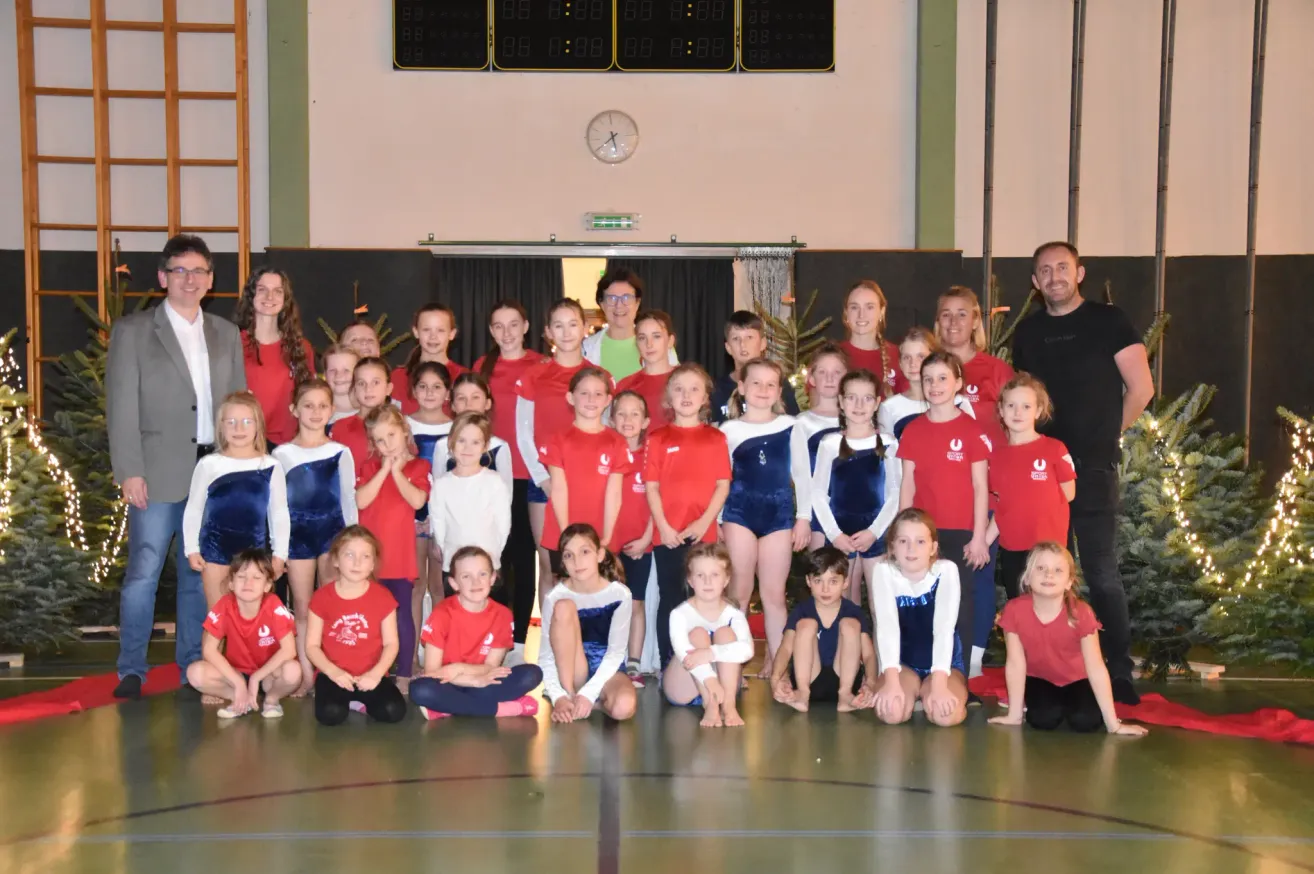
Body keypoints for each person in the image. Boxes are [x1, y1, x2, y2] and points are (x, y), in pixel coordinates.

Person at [1012, 241, 1155, 704]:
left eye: (1062, 268)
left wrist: (1105, 436)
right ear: (1035, 283)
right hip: (1040, 473)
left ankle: (1118, 670)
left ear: (1079, 273)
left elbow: (1141, 388)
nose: (1053, 276)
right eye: (1044, 271)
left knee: (1100, 570)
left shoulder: (1109, 321)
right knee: (1040, 572)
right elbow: (1025, 405)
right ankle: (1043, 669)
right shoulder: (1029, 334)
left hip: (1093, 468)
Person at [108, 233, 246, 699]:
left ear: (211, 280)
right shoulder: (133, 332)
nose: (191, 279)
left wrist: (240, 466)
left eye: (200, 271)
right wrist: (129, 468)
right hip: (157, 470)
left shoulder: (226, 334)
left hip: (214, 472)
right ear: (163, 277)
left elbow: (238, 406)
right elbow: (121, 406)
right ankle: (132, 667)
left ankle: (192, 662)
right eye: (181, 271)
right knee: (144, 570)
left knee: (198, 570)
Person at [989, 543, 1148, 736]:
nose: (1049, 575)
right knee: (1042, 720)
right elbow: (1015, 662)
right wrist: (1014, 716)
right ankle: (1043, 704)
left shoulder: (1081, 613)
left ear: (1069, 582)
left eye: (1058, 570)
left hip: (1078, 679)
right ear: (1028, 578)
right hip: (1040, 678)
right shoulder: (1014, 611)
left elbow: (1096, 667)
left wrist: (1113, 724)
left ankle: (1078, 704)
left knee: (1085, 721)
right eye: (1041, 568)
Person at [935, 286, 1014, 665]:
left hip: (985, 497)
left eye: (962, 313)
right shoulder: (926, 371)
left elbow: (1017, 426)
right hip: (936, 498)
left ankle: (975, 660)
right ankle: (937, 657)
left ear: (976, 321)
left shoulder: (996, 372)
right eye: (946, 314)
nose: (954, 322)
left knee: (978, 580)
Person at [718, 358, 810, 677]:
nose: (763, 389)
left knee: (773, 595)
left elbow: (801, 474)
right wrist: (718, 520)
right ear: (741, 387)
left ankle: (779, 665)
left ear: (779, 390)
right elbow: (721, 477)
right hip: (740, 513)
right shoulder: (729, 430)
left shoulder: (790, 426)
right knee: (738, 593)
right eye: (755, 383)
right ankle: (732, 666)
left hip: (778, 515)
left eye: (771, 384)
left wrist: (804, 518)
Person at [897, 351, 990, 664]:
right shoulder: (912, 430)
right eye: (928, 379)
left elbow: (981, 487)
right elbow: (907, 485)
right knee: (922, 602)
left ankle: (959, 677)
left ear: (958, 383)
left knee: (960, 605)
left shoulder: (972, 430)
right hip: (922, 534)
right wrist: (901, 534)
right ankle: (919, 669)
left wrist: (979, 538)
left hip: (960, 532)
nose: (934, 385)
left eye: (942, 378)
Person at [516, 299, 610, 603]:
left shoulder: (600, 376)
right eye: (558, 324)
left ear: (585, 328)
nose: (566, 331)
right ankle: (550, 645)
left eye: (573, 324)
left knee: (587, 565)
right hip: (544, 481)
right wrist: (542, 477)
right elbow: (523, 432)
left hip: (588, 483)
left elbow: (607, 431)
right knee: (551, 567)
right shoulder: (535, 375)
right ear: (548, 332)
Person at [272, 379, 358, 695]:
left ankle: (337, 672)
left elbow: (348, 499)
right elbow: (277, 507)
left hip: (333, 536)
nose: (316, 411)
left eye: (323, 405)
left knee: (335, 607)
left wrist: (352, 543)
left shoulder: (340, 451)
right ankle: (308, 675)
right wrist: (278, 549)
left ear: (332, 410)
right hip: (298, 539)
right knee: (305, 609)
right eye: (308, 405)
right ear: (294, 409)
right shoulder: (282, 454)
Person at [645, 364, 731, 669]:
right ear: (668, 397)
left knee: (702, 598)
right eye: (678, 388)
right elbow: (651, 487)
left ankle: (702, 662)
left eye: (694, 388)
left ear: (705, 397)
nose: (686, 395)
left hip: (702, 534)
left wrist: (704, 522)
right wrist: (664, 527)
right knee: (669, 597)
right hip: (667, 536)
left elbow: (723, 485)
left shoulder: (715, 439)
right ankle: (668, 662)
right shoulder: (657, 439)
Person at [474, 301, 546, 656]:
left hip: (528, 474)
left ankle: (518, 639)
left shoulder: (540, 365)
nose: (506, 332)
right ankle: (495, 634)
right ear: (490, 331)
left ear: (526, 326)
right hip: (489, 476)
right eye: (499, 326)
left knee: (523, 556)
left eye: (513, 324)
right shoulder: (482, 367)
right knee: (494, 556)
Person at [182, 391, 290, 609]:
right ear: (221, 426)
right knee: (217, 620)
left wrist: (280, 555)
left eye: (246, 422)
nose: (238, 429)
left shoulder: (270, 465)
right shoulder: (209, 465)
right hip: (215, 553)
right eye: (230, 422)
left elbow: (279, 513)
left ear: (258, 425)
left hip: (254, 556)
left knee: (251, 621)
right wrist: (191, 548)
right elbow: (194, 509)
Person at [409, 546, 543, 719]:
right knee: (420, 690)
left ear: (493, 578)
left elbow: (491, 667)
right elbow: (433, 671)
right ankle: (502, 709)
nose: (476, 582)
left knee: (532, 674)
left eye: (482, 574)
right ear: (454, 583)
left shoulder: (502, 615)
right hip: (448, 682)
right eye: (466, 576)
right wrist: (471, 681)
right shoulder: (441, 614)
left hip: (483, 680)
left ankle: (447, 707)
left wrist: (457, 668)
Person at [356, 405, 431, 691]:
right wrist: (384, 469)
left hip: (399, 557)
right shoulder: (368, 467)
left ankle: (403, 674)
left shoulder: (419, 466)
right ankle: (370, 670)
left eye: (391, 435)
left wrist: (398, 472)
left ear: (404, 432)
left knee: (402, 616)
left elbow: (417, 501)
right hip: (367, 560)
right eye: (379, 440)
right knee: (369, 615)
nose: (386, 444)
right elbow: (361, 501)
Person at [871, 509, 968, 727]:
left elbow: (943, 629)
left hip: (945, 664)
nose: (911, 549)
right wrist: (891, 680)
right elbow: (887, 627)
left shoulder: (946, 571)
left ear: (933, 548)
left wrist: (941, 685)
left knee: (946, 716)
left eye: (920, 541)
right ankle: (914, 693)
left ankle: (929, 694)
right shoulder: (883, 572)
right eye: (903, 541)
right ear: (893, 547)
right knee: (892, 713)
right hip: (903, 664)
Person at [811, 370, 901, 603]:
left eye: (867, 398)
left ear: (877, 403)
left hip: (876, 533)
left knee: (880, 603)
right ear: (841, 401)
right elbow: (818, 494)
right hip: (840, 532)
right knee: (843, 602)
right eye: (851, 397)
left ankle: (881, 641)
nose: (859, 404)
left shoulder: (889, 443)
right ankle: (850, 640)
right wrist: (835, 534)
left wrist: (875, 532)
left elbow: (895, 494)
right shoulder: (830, 444)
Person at [306, 526, 407, 725]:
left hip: (370, 675)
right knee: (331, 714)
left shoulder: (383, 598)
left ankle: (359, 700)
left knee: (394, 712)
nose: (357, 562)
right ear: (335, 560)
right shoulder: (321, 598)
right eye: (349, 555)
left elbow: (391, 644)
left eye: (365, 556)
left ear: (372, 564)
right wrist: (332, 671)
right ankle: (349, 701)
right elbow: (311, 646)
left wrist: (376, 674)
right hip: (334, 675)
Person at [185, 548, 300, 719]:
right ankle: (239, 698)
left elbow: (289, 650)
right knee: (195, 673)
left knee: (293, 671)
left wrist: (256, 678)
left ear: (267, 585)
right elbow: (209, 650)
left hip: (268, 675)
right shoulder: (225, 605)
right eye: (241, 577)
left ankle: (271, 700)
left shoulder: (273, 604)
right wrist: (239, 682)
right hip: (236, 673)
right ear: (231, 583)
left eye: (256, 578)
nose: (248, 583)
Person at [988, 375, 1076, 598]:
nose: (1018, 413)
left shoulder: (1054, 449)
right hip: (1013, 549)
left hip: (1049, 550)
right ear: (1001, 409)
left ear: (1038, 411)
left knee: (1052, 609)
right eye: (1011, 406)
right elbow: (1000, 507)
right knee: (1019, 609)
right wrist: (983, 543)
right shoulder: (996, 456)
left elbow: (1069, 493)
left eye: (1026, 406)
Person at [540, 524, 638, 723]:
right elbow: (546, 655)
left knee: (624, 707)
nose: (577, 561)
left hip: (607, 669)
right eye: (568, 555)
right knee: (564, 606)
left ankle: (587, 704)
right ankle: (568, 697)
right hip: (573, 671)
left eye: (585, 552)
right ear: (563, 562)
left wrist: (589, 693)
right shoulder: (555, 597)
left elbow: (616, 652)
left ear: (600, 555)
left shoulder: (619, 594)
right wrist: (558, 695)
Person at [539, 367, 629, 578]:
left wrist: (606, 537)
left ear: (608, 400)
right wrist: (566, 537)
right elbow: (559, 489)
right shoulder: (557, 439)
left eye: (598, 394)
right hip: (563, 531)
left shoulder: (616, 442)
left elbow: (614, 493)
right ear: (570, 397)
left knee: (599, 597)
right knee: (567, 597)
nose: (591, 399)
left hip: (601, 534)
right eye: (584, 393)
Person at [771, 547, 878, 713]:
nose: (825, 589)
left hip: (845, 679)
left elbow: (869, 655)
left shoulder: (853, 612)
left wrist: (870, 684)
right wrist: (776, 679)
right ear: (808, 581)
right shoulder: (801, 611)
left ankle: (845, 697)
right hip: (809, 679)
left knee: (850, 625)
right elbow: (785, 648)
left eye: (833, 581)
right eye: (818, 581)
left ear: (846, 582)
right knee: (806, 625)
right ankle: (803, 696)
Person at [663, 542, 753, 727]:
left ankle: (728, 706)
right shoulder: (680, 614)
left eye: (714, 575)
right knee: (697, 634)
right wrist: (709, 679)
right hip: (685, 685)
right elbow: (682, 651)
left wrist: (711, 653)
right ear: (690, 580)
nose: (707, 582)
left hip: (724, 688)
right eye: (700, 575)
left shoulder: (734, 614)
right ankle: (710, 704)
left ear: (726, 580)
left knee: (725, 633)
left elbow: (747, 650)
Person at [234, 266, 314, 447]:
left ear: (285, 299)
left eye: (277, 291)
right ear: (251, 295)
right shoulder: (233, 344)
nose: (270, 297)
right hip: (246, 442)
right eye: (262, 290)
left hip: (288, 444)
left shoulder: (301, 348)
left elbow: (308, 396)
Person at [428, 413, 512, 579]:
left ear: (485, 445)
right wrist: (447, 553)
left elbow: (503, 525)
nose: (468, 448)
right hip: (454, 566)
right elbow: (439, 523)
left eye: (475, 442)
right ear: (451, 442)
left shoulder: (494, 482)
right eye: (461, 441)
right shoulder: (442, 484)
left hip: (488, 566)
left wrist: (493, 556)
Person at [610, 390, 654, 683]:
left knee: (636, 603)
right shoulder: (604, 451)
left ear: (646, 420)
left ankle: (634, 662)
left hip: (640, 544)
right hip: (607, 545)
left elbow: (659, 501)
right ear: (612, 420)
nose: (628, 420)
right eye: (621, 414)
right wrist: (603, 544)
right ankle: (610, 662)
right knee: (611, 604)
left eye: (634, 414)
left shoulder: (652, 455)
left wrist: (647, 539)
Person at [405, 360, 453, 619]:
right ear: (413, 391)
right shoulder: (403, 426)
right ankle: (411, 657)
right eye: (423, 386)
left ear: (448, 393)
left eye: (437, 387)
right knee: (415, 585)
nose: (430, 392)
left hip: (444, 516)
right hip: (412, 514)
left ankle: (440, 651)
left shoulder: (455, 429)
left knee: (439, 585)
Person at [790, 342, 847, 551]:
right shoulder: (802, 422)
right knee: (822, 574)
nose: (830, 378)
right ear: (811, 378)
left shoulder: (858, 418)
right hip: (818, 512)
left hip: (853, 507)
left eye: (837, 372)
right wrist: (803, 517)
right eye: (822, 372)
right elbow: (800, 473)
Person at [877, 327, 975, 443]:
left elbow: (972, 444)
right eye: (907, 357)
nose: (913, 364)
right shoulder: (889, 408)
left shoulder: (959, 402)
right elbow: (889, 455)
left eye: (921, 357)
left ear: (934, 358)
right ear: (900, 363)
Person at [582, 268, 677, 381]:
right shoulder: (586, 348)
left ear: (637, 303)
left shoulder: (660, 345)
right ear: (602, 304)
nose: (619, 305)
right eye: (611, 298)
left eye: (626, 298)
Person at [711, 311, 800, 423]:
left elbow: (793, 427)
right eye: (736, 339)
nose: (743, 344)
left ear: (763, 343)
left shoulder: (779, 384)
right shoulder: (716, 390)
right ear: (728, 347)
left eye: (749, 337)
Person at [443, 373, 514, 488]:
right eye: (461, 398)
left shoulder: (499, 447)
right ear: (452, 405)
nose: (468, 404)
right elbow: (438, 492)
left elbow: (506, 495)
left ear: (487, 403)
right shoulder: (442, 445)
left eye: (475, 397)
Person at [393, 304, 466, 414]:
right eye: (426, 330)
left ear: (451, 334)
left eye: (440, 330)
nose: (433, 336)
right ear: (416, 332)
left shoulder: (463, 377)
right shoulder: (398, 377)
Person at [838, 279, 906, 395]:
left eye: (869, 307)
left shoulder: (899, 355)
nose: (861, 315)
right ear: (846, 313)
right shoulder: (832, 355)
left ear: (881, 312)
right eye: (854, 307)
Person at [613, 310, 678, 428]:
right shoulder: (625, 386)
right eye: (642, 338)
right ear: (636, 343)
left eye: (656, 336)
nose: (649, 344)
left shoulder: (687, 382)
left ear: (670, 341)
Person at [333, 357, 393, 478]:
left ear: (388, 388)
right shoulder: (340, 428)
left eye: (375, 382)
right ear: (354, 389)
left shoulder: (400, 426)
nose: (368, 389)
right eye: (361, 383)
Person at [322, 344, 360, 432]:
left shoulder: (371, 415)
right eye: (332, 370)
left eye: (346, 370)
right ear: (325, 375)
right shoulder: (318, 416)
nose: (339, 375)